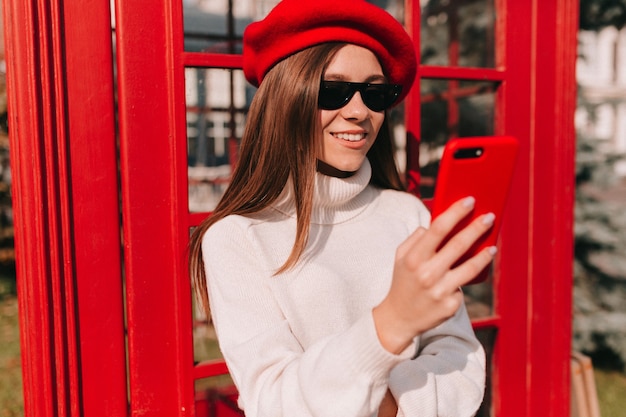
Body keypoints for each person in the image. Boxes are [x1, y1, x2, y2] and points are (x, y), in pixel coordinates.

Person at [188, 0, 493, 415]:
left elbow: (459, 354)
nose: (358, 112)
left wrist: (389, 406)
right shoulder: (237, 237)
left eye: (375, 93)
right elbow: (274, 401)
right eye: (332, 90)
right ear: (285, 99)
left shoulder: (409, 215)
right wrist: (390, 324)